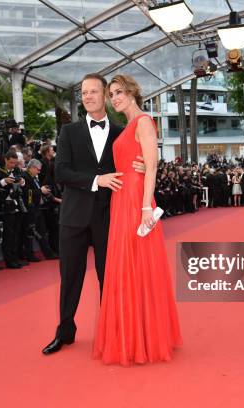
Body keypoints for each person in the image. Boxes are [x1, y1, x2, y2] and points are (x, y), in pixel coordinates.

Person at [42, 73, 145, 355]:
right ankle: (64, 331)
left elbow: (134, 163)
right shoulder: (69, 132)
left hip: (108, 217)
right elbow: (60, 172)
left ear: (106, 97)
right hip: (73, 216)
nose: (87, 97)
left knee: (108, 278)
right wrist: (94, 180)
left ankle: (111, 331)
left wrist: (144, 167)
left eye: (93, 92)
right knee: (70, 277)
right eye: (83, 93)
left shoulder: (120, 132)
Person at [92, 74, 181, 365]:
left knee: (138, 265)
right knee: (123, 268)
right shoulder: (128, 125)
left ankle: (143, 337)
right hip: (121, 200)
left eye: (119, 92)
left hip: (135, 202)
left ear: (132, 92)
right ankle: (130, 333)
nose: (114, 97)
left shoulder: (143, 121)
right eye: (111, 94)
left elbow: (151, 168)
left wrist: (145, 208)